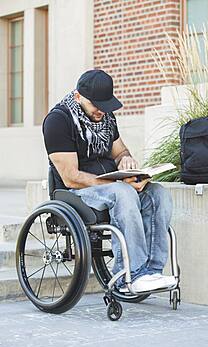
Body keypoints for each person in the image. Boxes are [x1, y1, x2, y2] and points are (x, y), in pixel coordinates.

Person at [42, 69, 176, 293]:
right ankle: (130, 274)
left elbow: (120, 150)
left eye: (105, 105)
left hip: (111, 185)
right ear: (78, 97)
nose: (101, 111)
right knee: (123, 194)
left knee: (158, 193)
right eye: (96, 105)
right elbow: (71, 177)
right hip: (75, 192)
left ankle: (151, 271)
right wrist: (120, 185)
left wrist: (126, 161)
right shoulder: (58, 121)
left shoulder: (106, 117)